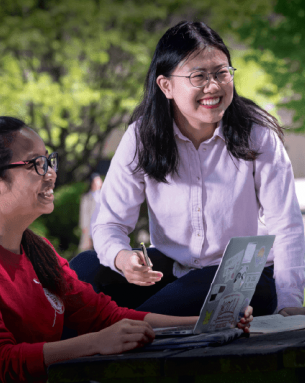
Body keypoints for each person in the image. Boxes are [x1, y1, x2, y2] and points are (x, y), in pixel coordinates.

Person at [90, 21, 305, 318]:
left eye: (222, 73)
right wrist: (122, 258)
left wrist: (289, 303)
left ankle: (119, 322)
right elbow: (108, 223)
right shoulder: (141, 137)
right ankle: (120, 321)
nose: (214, 86)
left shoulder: (257, 136)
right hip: (173, 271)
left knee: (209, 284)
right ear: (166, 86)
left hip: (245, 279)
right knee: (85, 269)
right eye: (198, 76)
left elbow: (285, 226)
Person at [0, 116, 253, 383]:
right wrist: (94, 343)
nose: (51, 173)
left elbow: (104, 316)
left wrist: (204, 323)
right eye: (36, 164)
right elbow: (4, 362)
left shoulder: (40, 252)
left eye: (49, 161)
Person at [79, 173, 103, 251]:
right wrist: (85, 230)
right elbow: (84, 216)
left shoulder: (104, 196)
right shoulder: (86, 198)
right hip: (90, 227)